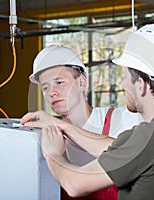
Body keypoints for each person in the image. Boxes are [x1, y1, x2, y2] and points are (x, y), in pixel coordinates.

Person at [21, 24, 154, 199]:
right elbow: (121, 150)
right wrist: (62, 125)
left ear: (141, 85)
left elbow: (74, 185)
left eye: (125, 78)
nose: (122, 85)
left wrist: (54, 153)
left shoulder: (147, 137)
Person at [27, 44, 142, 199]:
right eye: (45, 88)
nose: (52, 92)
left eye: (59, 82)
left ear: (81, 83)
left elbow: (131, 156)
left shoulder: (124, 120)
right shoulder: (46, 137)